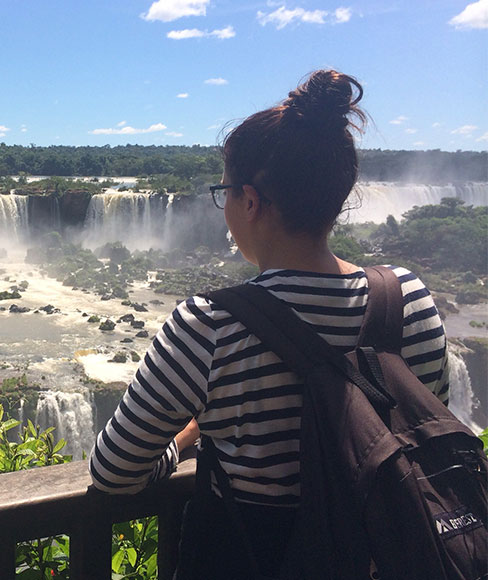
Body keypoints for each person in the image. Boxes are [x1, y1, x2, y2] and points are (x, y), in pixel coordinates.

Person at [88, 70, 449, 578]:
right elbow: (423, 431)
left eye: (226, 193)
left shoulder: (208, 324)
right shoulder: (408, 298)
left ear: (250, 201)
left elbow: (113, 473)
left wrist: (187, 439)